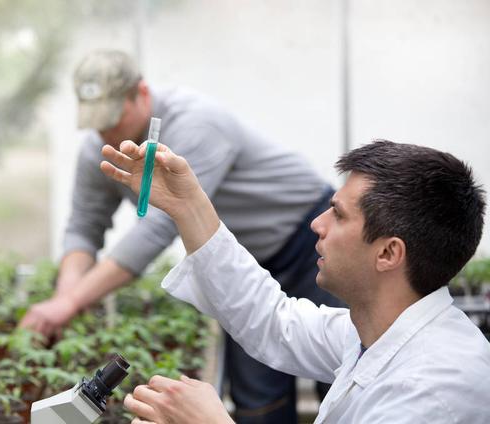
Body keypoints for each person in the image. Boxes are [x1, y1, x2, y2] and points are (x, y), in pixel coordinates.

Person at [19, 49, 343, 422]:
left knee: (337, 374)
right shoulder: (99, 147)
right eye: (95, 121)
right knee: (257, 393)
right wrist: (64, 296)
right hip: (241, 263)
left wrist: (72, 302)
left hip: (307, 243)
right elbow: (83, 226)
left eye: (112, 118)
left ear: (140, 94)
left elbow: (160, 227)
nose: (104, 131)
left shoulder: (194, 124)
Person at [99, 138, 490, 423]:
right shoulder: (376, 333)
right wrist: (186, 204)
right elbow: (273, 321)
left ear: (388, 253)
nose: (316, 224)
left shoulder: (435, 393)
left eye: (338, 215)